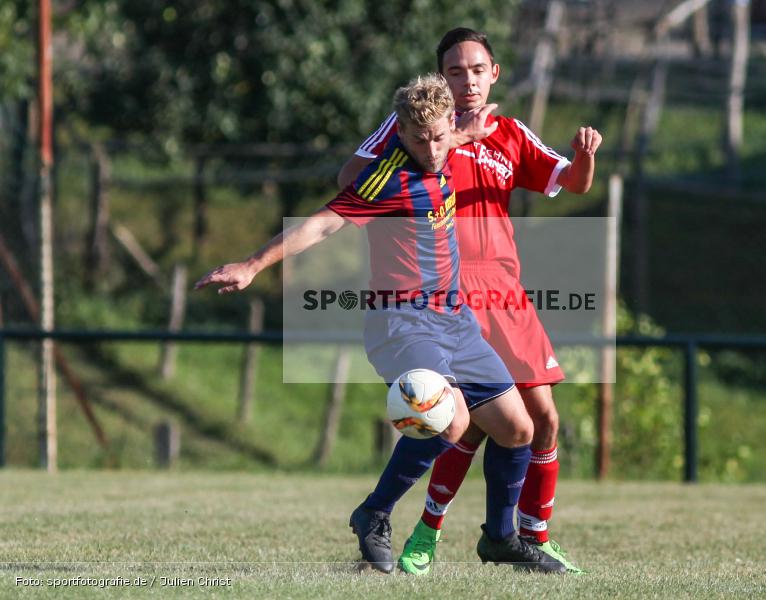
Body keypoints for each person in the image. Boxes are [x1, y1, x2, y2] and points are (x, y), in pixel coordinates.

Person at [195, 73, 566, 574]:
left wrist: (467, 133)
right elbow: (324, 222)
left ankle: (500, 538)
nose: (432, 149)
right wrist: (252, 265)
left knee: (518, 428)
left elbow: (451, 137)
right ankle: (375, 511)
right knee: (452, 420)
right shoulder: (387, 178)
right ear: (401, 135)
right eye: (419, 139)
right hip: (403, 322)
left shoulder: (448, 145)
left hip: (455, 320)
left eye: (439, 136)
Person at [338, 28, 602, 576]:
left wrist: (583, 158)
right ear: (440, 80)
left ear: (494, 74)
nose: (466, 81)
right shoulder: (418, 129)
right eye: (454, 72)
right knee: (460, 420)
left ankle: (527, 536)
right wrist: (453, 138)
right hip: (444, 295)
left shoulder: (508, 132)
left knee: (540, 418)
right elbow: (352, 181)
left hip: (505, 292)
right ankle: (422, 532)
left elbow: (571, 183)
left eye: (476, 70)